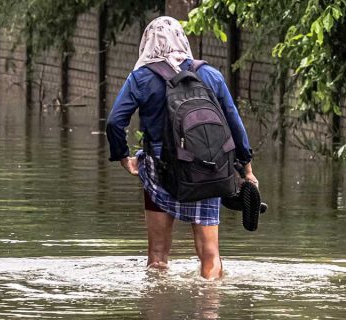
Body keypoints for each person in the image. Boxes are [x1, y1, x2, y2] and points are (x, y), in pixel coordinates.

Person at [106, 16, 257, 280]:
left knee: (158, 255)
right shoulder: (210, 75)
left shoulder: (141, 77)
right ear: (182, 39)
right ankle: (209, 307)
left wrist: (124, 158)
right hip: (208, 167)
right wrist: (247, 169)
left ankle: (157, 306)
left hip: (158, 168)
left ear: (147, 42)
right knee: (210, 255)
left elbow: (115, 122)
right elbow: (234, 123)